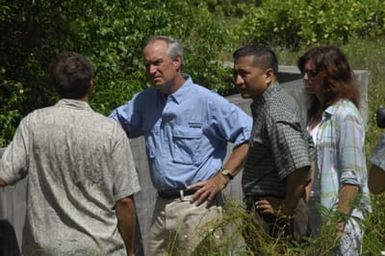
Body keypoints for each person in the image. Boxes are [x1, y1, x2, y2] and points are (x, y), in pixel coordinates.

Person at [110, 35, 252, 255]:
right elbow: (109, 126)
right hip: (161, 209)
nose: (151, 70)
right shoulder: (144, 101)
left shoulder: (205, 101)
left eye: (157, 63)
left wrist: (223, 178)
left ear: (177, 62)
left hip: (198, 207)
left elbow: (248, 134)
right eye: (147, 64)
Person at [0, 52, 140, 256]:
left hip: (45, 248)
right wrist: (129, 249)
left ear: (55, 87)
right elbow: (125, 201)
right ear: (91, 85)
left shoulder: (33, 124)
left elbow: (3, 176)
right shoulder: (111, 131)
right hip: (100, 247)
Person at [232, 45, 313, 249]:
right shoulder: (274, 103)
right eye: (235, 74)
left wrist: (287, 208)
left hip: (275, 219)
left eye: (244, 74)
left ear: (268, 75)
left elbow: (300, 164)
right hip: (275, 211)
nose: (238, 81)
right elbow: (309, 148)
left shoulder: (275, 111)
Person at [297, 46, 371, 255]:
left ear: (330, 76)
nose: (305, 78)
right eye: (304, 71)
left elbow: (352, 175)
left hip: (340, 216)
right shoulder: (316, 112)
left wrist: (338, 223)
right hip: (317, 210)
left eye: (312, 73)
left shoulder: (345, 114)